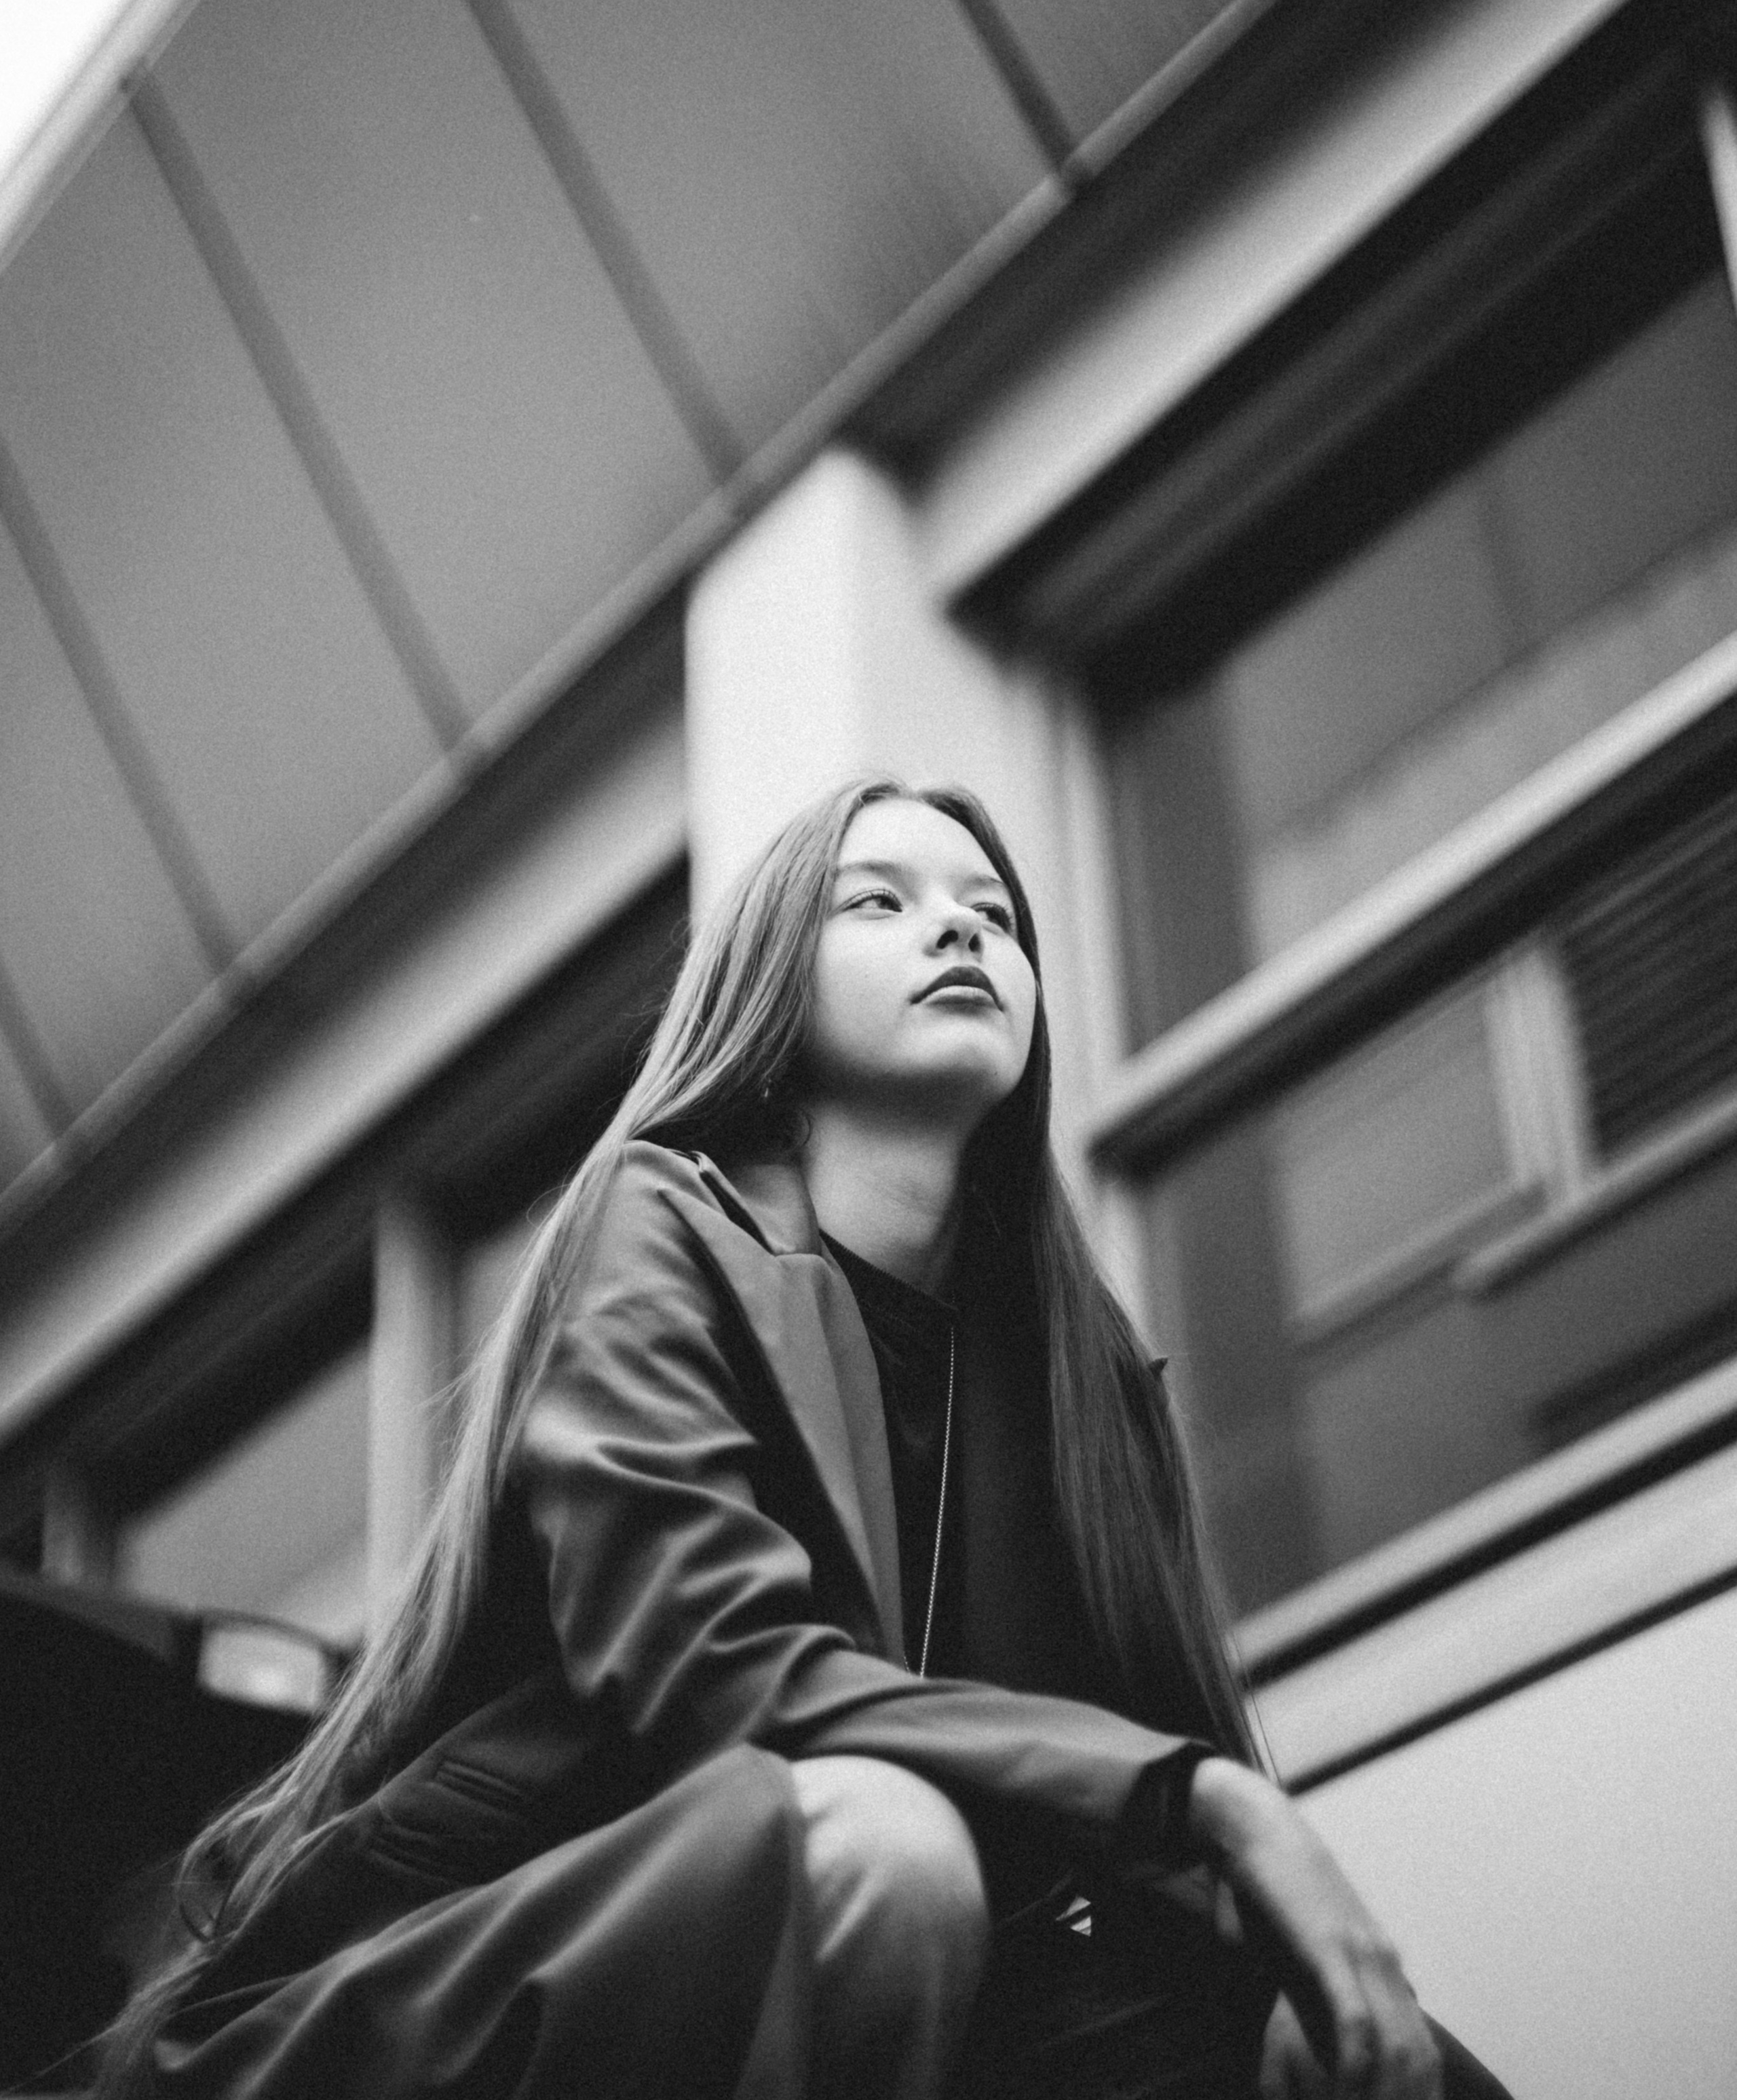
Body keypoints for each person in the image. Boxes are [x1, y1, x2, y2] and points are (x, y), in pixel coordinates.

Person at [99, 778, 1512, 2100]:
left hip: (948, 1998)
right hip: (457, 1981)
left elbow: (1164, 1842)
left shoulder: (1079, 1388)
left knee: (1386, 2059)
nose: (957, 923)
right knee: (880, 1849)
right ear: (772, 982)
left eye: (993, 913)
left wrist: (1269, 1961)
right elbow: (718, 1678)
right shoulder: (661, 1222)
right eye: (877, 901)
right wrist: (1206, 1804)